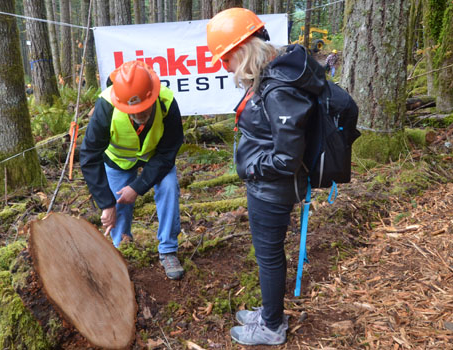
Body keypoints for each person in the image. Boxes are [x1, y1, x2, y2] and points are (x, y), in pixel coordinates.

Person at [206, 8, 329, 345]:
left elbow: (287, 157)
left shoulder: (278, 89)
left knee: (269, 255)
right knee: (269, 253)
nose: (222, 67)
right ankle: (270, 311)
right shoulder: (274, 76)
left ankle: (272, 326)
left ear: (239, 51)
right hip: (268, 184)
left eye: (224, 59)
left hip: (273, 188)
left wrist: (251, 168)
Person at [79, 60, 185, 280]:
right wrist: (106, 204)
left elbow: (168, 152)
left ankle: (168, 249)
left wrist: (138, 186)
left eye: (144, 108)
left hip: (156, 157)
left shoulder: (167, 102)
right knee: (118, 204)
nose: (140, 113)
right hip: (118, 160)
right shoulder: (106, 106)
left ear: (152, 95)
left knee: (168, 188)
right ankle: (123, 247)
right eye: (133, 110)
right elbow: (89, 156)